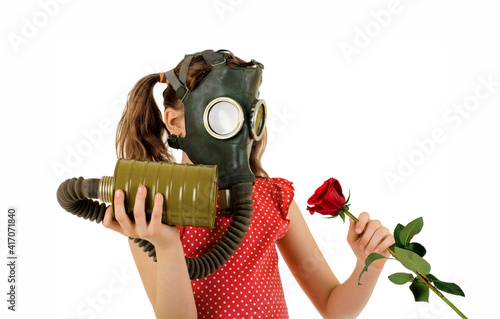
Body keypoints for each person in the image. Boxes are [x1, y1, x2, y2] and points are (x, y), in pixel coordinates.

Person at [102, 50, 395, 319]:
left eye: (247, 116)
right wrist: (166, 247)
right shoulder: (150, 211)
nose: (239, 133)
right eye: (222, 115)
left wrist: (367, 265)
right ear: (175, 122)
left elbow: (334, 308)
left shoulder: (272, 199)